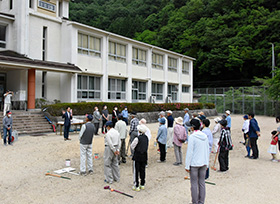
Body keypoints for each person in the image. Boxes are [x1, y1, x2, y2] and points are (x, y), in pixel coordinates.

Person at [185, 119, 209, 204]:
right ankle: (201, 201)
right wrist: (207, 163)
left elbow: (190, 152)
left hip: (194, 163)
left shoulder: (192, 137)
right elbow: (207, 150)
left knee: (194, 183)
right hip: (203, 162)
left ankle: (194, 201)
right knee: (202, 183)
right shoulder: (205, 136)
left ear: (192, 127)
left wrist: (187, 166)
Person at [131, 124, 149, 191]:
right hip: (144, 155)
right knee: (142, 170)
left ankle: (136, 185)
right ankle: (142, 184)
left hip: (137, 155)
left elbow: (132, 146)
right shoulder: (146, 138)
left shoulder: (137, 138)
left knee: (136, 170)